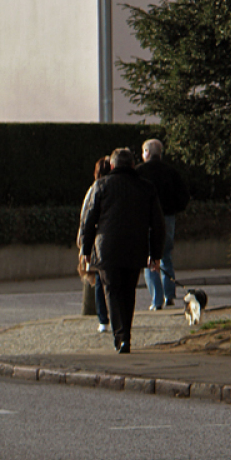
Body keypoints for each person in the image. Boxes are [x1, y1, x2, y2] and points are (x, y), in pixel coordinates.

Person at [78, 148, 164, 354]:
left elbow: (89, 220)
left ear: (113, 166)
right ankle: (126, 334)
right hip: (135, 247)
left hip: (107, 248)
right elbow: (158, 224)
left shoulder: (101, 186)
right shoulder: (146, 187)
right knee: (128, 292)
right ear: (133, 165)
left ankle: (121, 337)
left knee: (112, 292)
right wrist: (155, 253)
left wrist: (86, 249)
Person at [136, 139, 190, 310]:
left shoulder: (139, 172)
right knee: (166, 256)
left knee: (149, 257)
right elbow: (183, 196)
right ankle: (169, 295)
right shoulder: (171, 172)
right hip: (167, 217)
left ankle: (156, 300)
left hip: (146, 219)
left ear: (146, 152)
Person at [78, 156, 112, 333]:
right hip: (114, 239)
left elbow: (86, 217)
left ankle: (103, 319)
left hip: (98, 241)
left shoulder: (95, 189)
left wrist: (84, 244)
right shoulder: (116, 187)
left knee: (99, 278)